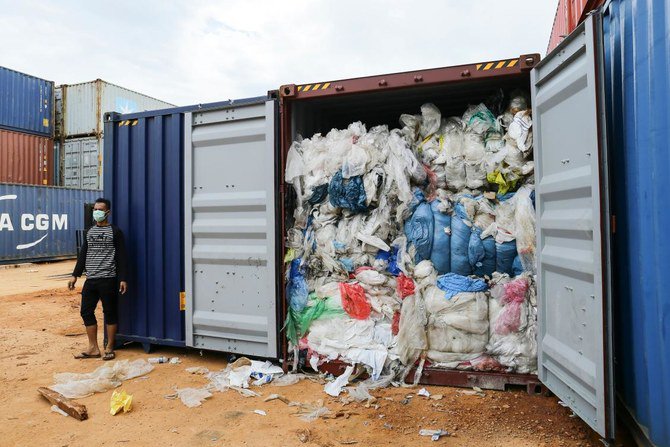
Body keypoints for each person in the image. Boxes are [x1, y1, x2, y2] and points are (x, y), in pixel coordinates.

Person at [68, 198, 128, 361]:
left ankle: (109, 347)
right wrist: (75, 275)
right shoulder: (90, 231)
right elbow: (83, 255)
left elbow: (122, 256)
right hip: (91, 279)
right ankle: (93, 348)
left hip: (108, 278)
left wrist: (123, 278)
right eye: (95, 209)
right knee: (86, 311)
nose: (97, 212)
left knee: (109, 313)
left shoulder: (115, 232)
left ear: (107, 212)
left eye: (100, 209)